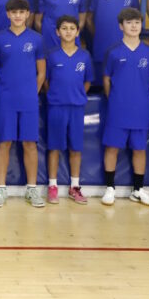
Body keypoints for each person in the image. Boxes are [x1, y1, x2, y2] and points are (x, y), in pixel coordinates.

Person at [0, 0, 46, 208]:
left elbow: (41, 72)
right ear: (8, 14)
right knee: (4, 142)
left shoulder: (37, 39)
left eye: (21, 12)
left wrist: (32, 92)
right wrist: (1, 94)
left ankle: (32, 189)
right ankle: (1, 189)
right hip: (6, 99)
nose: (17, 16)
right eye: (13, 12)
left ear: (27, 14)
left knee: (29, 143)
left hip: (29, 100)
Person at [101, 7, 149, 207]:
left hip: (140, 109)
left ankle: (138, 189)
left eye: (137, 22)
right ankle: (110, 188)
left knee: (139, 149)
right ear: (121, 26)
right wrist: (117, 98)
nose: (134, 26)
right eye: (129, 22)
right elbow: (107, 80)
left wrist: (139, 97)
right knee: (112, 147)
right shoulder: (113, 52)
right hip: (117, 108)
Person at [45, 15, 94, 205]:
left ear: (77, 31)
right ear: (57, 32)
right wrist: (57, 95)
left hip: (77, 107)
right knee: (55, 147)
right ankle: (52, 186)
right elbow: (46, 81)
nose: (68, 31)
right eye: (64, 28)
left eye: (72, 28)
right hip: (57, 106)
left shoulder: (84, 56)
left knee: (76, 148)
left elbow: (88, 80)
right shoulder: (51, 55)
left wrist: (78, 94)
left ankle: (75, 186)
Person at [87, 0, 140, 84]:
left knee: (123, 84)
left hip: (125, 48)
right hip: (102, 47)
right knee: (101, 87)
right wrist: (99, 35)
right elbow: (88, 19)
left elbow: (136, 22)